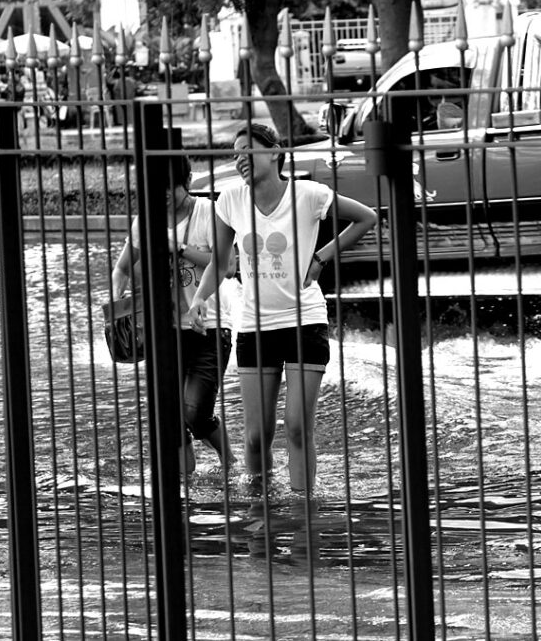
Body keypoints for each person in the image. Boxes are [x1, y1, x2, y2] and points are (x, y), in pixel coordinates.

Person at [187, 123, 377, 492]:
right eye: (235, 153)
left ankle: (303, 506)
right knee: (257, 436)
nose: (240, 158)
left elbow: (366, 216)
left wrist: (321, 258)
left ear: (275, 152)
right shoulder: (230, 200)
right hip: (255, 328)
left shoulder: (308, 194)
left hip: (305, 321)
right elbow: (222, 263)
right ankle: (261, 507)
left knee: (296, 425)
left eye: (248, 150)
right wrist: (199, 300)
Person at [111, 157, 236, 473]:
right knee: (169, 414)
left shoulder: (210, 211)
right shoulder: (145, 221)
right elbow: (122, 269)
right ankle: (187, 487)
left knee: (194, 411)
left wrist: (177, 248)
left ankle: (230, 461)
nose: (164, 193)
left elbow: (229, 265)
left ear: (188, 180)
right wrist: (117, 302)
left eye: (171, 185)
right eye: (156, 186)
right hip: (164, 330)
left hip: (210, 325)